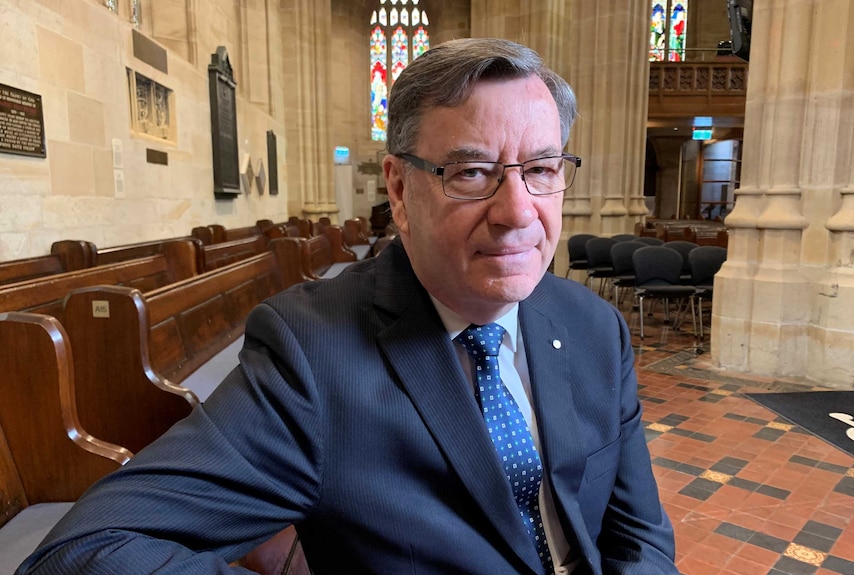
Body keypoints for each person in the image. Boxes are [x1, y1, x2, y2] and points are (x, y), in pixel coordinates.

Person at [17, 37, 678, 574]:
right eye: (471, 172)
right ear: (398, 187)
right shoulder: (312, 351)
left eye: (540, 169)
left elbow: (640, 537)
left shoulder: (594, 327)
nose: (516, 213)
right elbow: (82, 553)